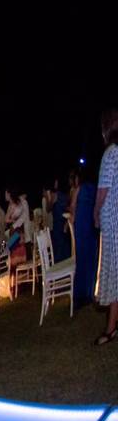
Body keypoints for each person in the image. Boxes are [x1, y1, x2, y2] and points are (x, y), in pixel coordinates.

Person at [94, 108, 118, 345]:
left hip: (113, 223)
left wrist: (95, 214)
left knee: (113, 275)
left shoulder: (110, 153)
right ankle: (112, 327)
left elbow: (102, 191)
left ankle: (111, 328)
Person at [73, 163, 99, 309]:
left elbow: (72, 207)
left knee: (81, 260)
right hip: (91, 227)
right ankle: (89, 293)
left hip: (82, 228)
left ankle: (79, 295)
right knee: (91, 260)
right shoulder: (94, 188)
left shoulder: (79, 189)